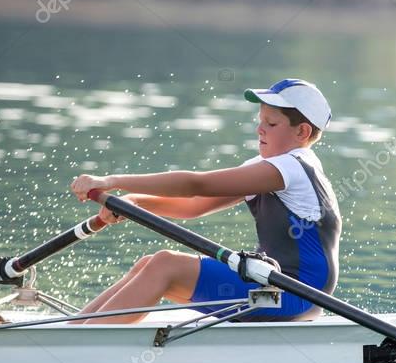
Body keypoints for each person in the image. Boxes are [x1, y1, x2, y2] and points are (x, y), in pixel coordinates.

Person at [69, 78, 341, 324]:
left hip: (296, 296)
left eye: (271, 123)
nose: (260, 129)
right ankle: (75, 331)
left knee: (165, 265)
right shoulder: (268, 167)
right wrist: (135, 202)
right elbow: (194, 206)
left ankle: (80, 346)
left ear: (302, 132)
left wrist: (111, 181)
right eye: (260, 121)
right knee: (148, 264)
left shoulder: (290, 168)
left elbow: (195, 184)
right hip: (272, 288)